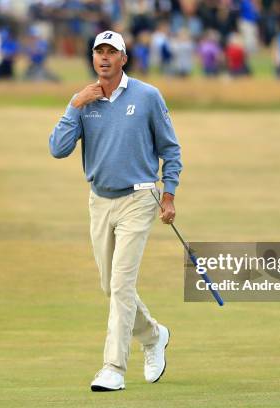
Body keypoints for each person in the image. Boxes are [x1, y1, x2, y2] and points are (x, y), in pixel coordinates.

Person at [48, 30, 181, 392]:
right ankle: (154, 335)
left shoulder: (148, 96)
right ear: (93, 59)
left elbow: (171, 150)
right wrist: (73, 105)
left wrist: (168, 195)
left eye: (112, 52)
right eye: (99, 52)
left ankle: (113, 368)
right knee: (110, 286)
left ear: (124, 58)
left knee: (122, 284)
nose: (104, 57)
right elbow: (58, 149)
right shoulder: (84, 102)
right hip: (99, 200)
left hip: (139, 198)